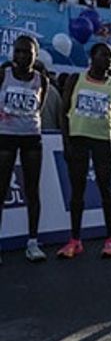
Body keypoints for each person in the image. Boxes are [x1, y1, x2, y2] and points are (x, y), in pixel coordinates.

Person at [56, 43, 111, 259]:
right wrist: (66, 142)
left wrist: (109, 140)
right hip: (77, 139)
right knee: (77, 191)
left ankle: (110, 240)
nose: (109, 59)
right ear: (92, 57)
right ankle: (75, 240)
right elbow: (63, 111)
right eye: (104, 55)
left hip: (102, 142)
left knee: (106, 190)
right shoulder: (75, 80)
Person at [0, 35, 50, 263]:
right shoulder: (3, 74)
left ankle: (32, 242)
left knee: (32, 189)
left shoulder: (42, 80)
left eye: (26, 52)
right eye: (17, 51)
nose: (21, 56)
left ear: (35, 55)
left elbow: (39, 107)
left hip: (31, 136)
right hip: (5, 136)